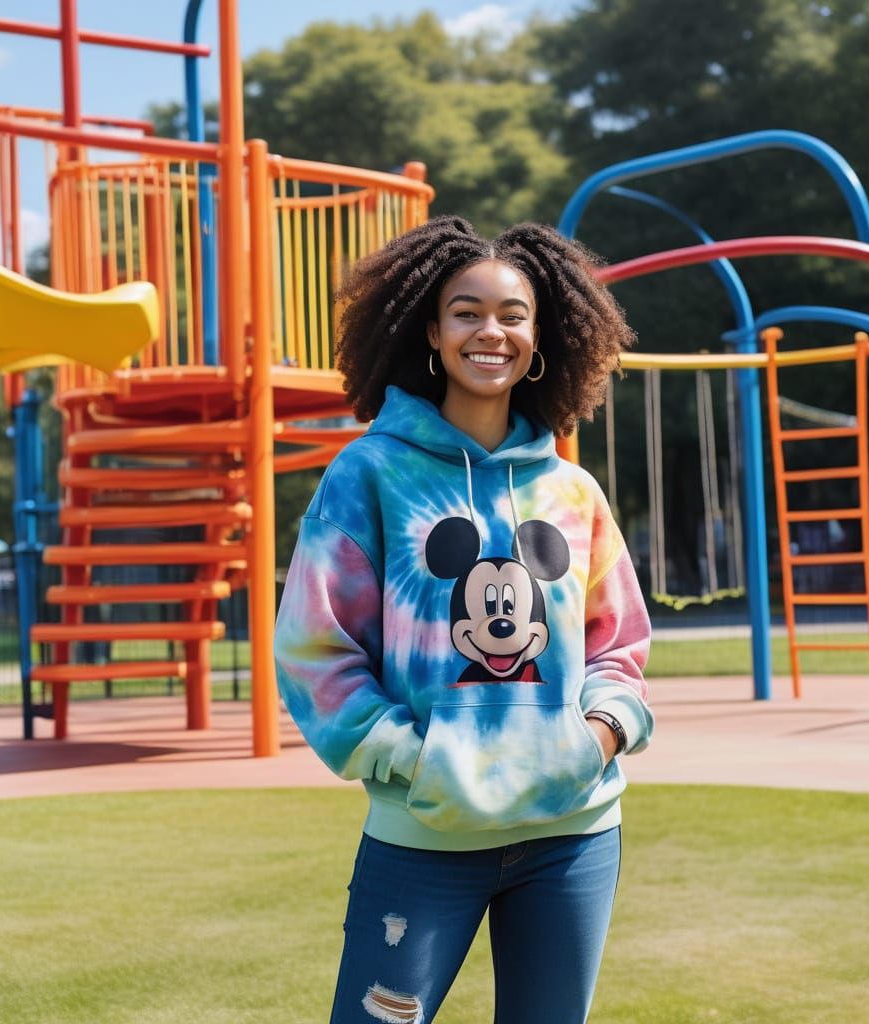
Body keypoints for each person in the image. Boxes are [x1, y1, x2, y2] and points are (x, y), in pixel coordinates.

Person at [274, 215, 653, 1024]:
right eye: (466, 312)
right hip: (424, 837)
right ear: (432, 333)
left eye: (513, 315)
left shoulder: (572, 491)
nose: (491, 332)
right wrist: (414, 762)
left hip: (574, 834)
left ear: (540, 337)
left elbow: (617, 644)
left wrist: (595, 739)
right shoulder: (369, 474)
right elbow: (315, 648)